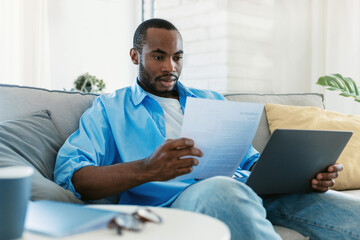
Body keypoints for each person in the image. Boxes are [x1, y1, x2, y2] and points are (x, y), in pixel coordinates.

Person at [55, 18, 360, 239]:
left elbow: (249, 160)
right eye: (158, 56)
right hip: (177, 200)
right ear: (135, 56)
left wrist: (303, 175)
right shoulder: (110, 109)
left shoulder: (210, 99)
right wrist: (148, 169)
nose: (170, 67)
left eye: (177, 58)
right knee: (224, 190)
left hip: (250, 189)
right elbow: (73, 175)